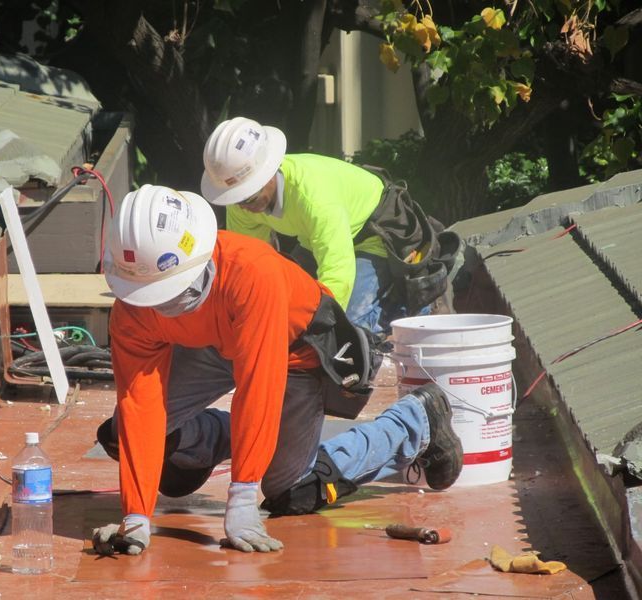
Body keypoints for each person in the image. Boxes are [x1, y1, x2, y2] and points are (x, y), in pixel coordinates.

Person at [92, 184, 463, 557]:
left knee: (291, 491)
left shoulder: (253, 274)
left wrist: (242, 496)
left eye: (176, 292)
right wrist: (136, 516)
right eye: (156, 297)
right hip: (215, 345)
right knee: (121, 436)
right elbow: (139, 404)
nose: (166, 306)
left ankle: (414, 421)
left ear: (201, 258)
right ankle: (222, 437)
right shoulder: (133, 307)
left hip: (294, 355)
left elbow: (259, 387)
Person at [200, 116, 457, 335]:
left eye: (248, 197)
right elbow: (248, 264)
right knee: (290, 303)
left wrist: (318, 329)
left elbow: (337, 271)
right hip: (317, 239)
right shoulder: (241, 202)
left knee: (348, 325)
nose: (242, 206)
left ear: (269, 174)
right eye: (235, 199)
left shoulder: (313, 196)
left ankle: (413, 307)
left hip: (374, 234)